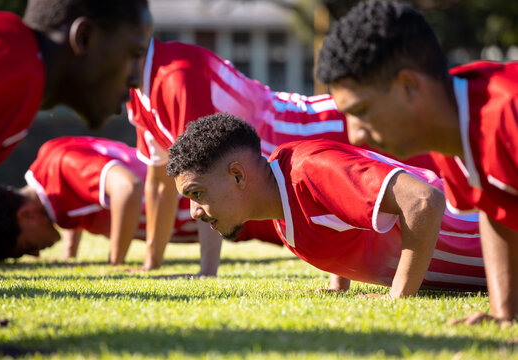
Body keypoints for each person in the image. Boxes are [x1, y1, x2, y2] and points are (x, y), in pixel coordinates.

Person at [125, 36, 438, 271]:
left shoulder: (173, 74)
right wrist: (151, 263)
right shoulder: (137, 97)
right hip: (293, 144)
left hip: (315, 129)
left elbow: (206, 174)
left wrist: (207, 272)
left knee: (436, 183)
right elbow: (158, 182)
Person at [315, 0, 518, 324]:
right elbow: (500, 210)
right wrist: (505, 316)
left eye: (362, 111)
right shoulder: (454, 128)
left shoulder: (509, 110)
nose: (354, 135)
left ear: (409, 86)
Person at [167, 113, 486, 297]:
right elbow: (339, 224)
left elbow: (423, 202)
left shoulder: (308, 169)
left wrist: (399, 298)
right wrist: (339, 284)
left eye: (198, 194)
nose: (195, 212)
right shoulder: (280, 200)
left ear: (237, 175)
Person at [0, 136, 281, 272]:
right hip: (221, 215)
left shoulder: (61, 165)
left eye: (23, 248)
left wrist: (116, 261)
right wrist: (70, 253)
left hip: (223, 210)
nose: (33, 253)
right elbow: (75, 204)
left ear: (26, 215)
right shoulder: (50, 166)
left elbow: (127, 188)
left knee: (294, 218)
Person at [0, 0, 153, 180]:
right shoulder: (10, 64)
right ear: (84, 38)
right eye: (135, 55)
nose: (135, 80)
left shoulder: (22, 69)